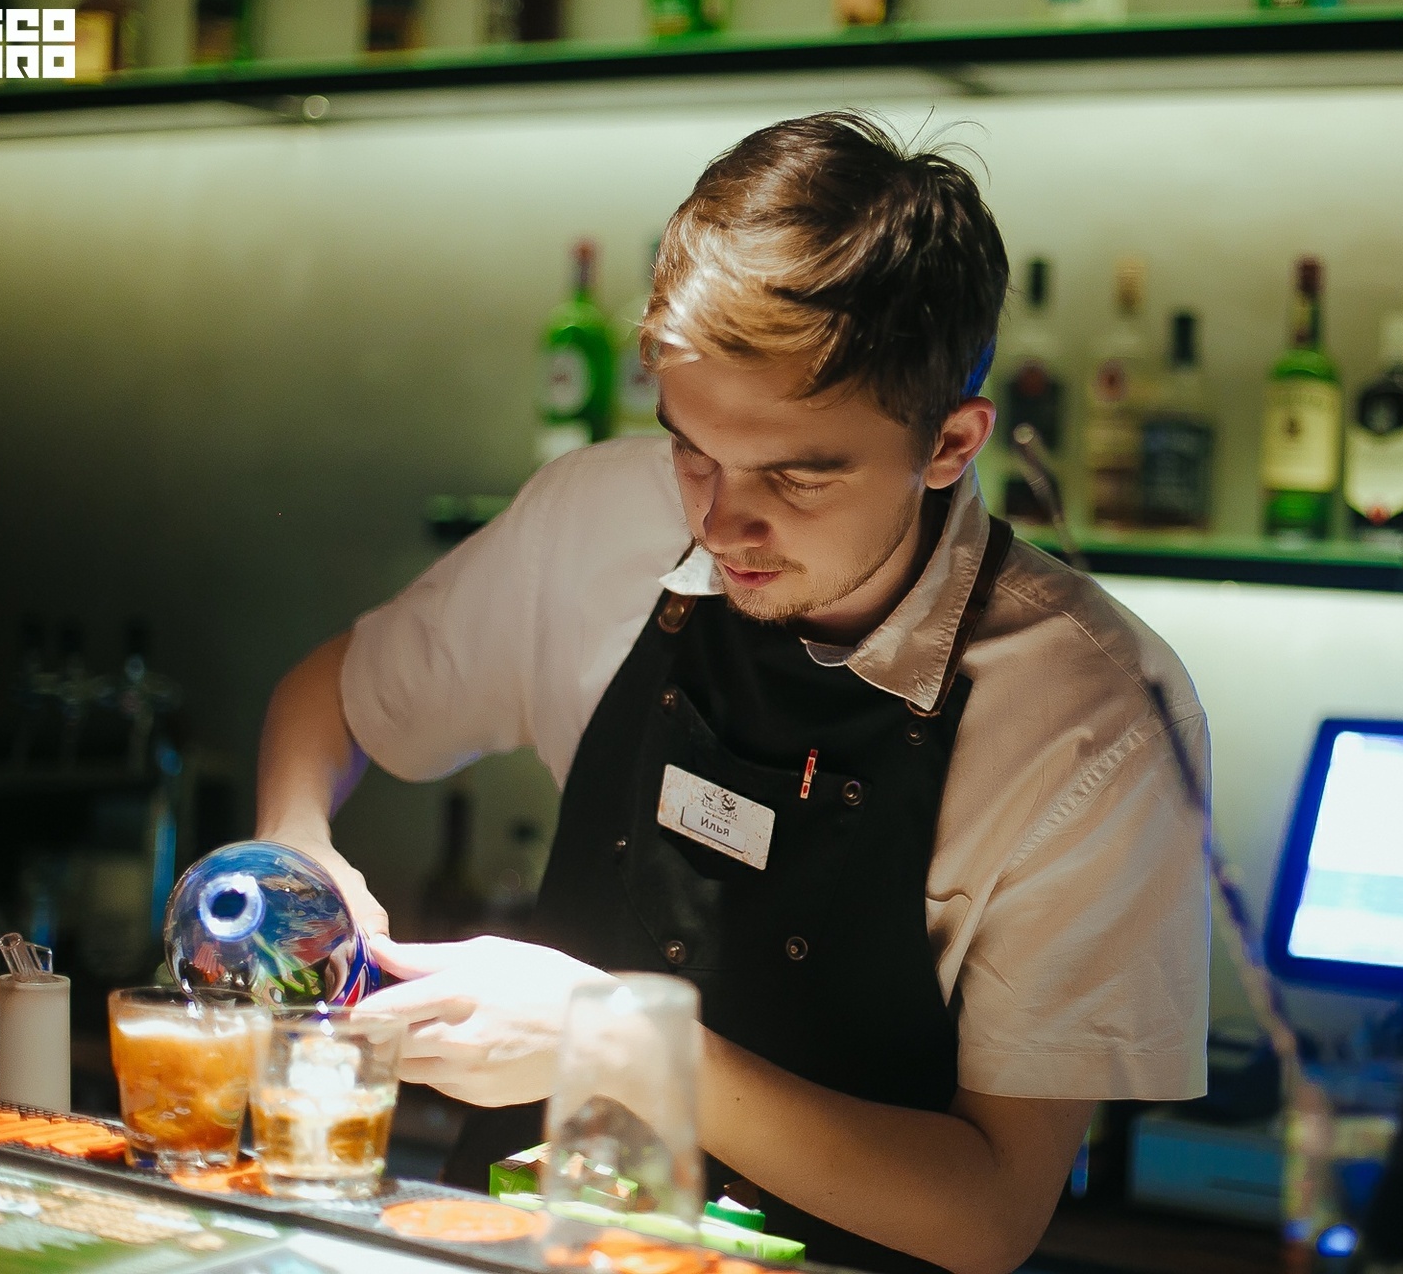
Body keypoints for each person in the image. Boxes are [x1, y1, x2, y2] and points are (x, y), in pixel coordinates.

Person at [254, 111, 1210, 1274]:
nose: (719, 522)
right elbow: (330, 698)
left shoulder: (1092, 713)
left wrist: (613, 1039)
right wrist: (297, 845)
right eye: (693, 448)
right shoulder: (600, 520)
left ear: (951, 444)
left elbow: (991, 1212)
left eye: (797, 473)